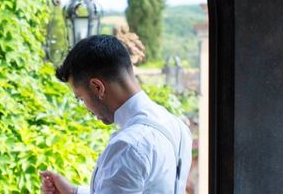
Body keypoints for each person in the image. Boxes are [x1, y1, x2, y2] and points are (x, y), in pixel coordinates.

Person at [40, 35, 192, 194]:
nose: (86, 108)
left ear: (98, 87)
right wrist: (73, 191)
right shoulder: (177, 126)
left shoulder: (128, 146)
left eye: (81, 98)